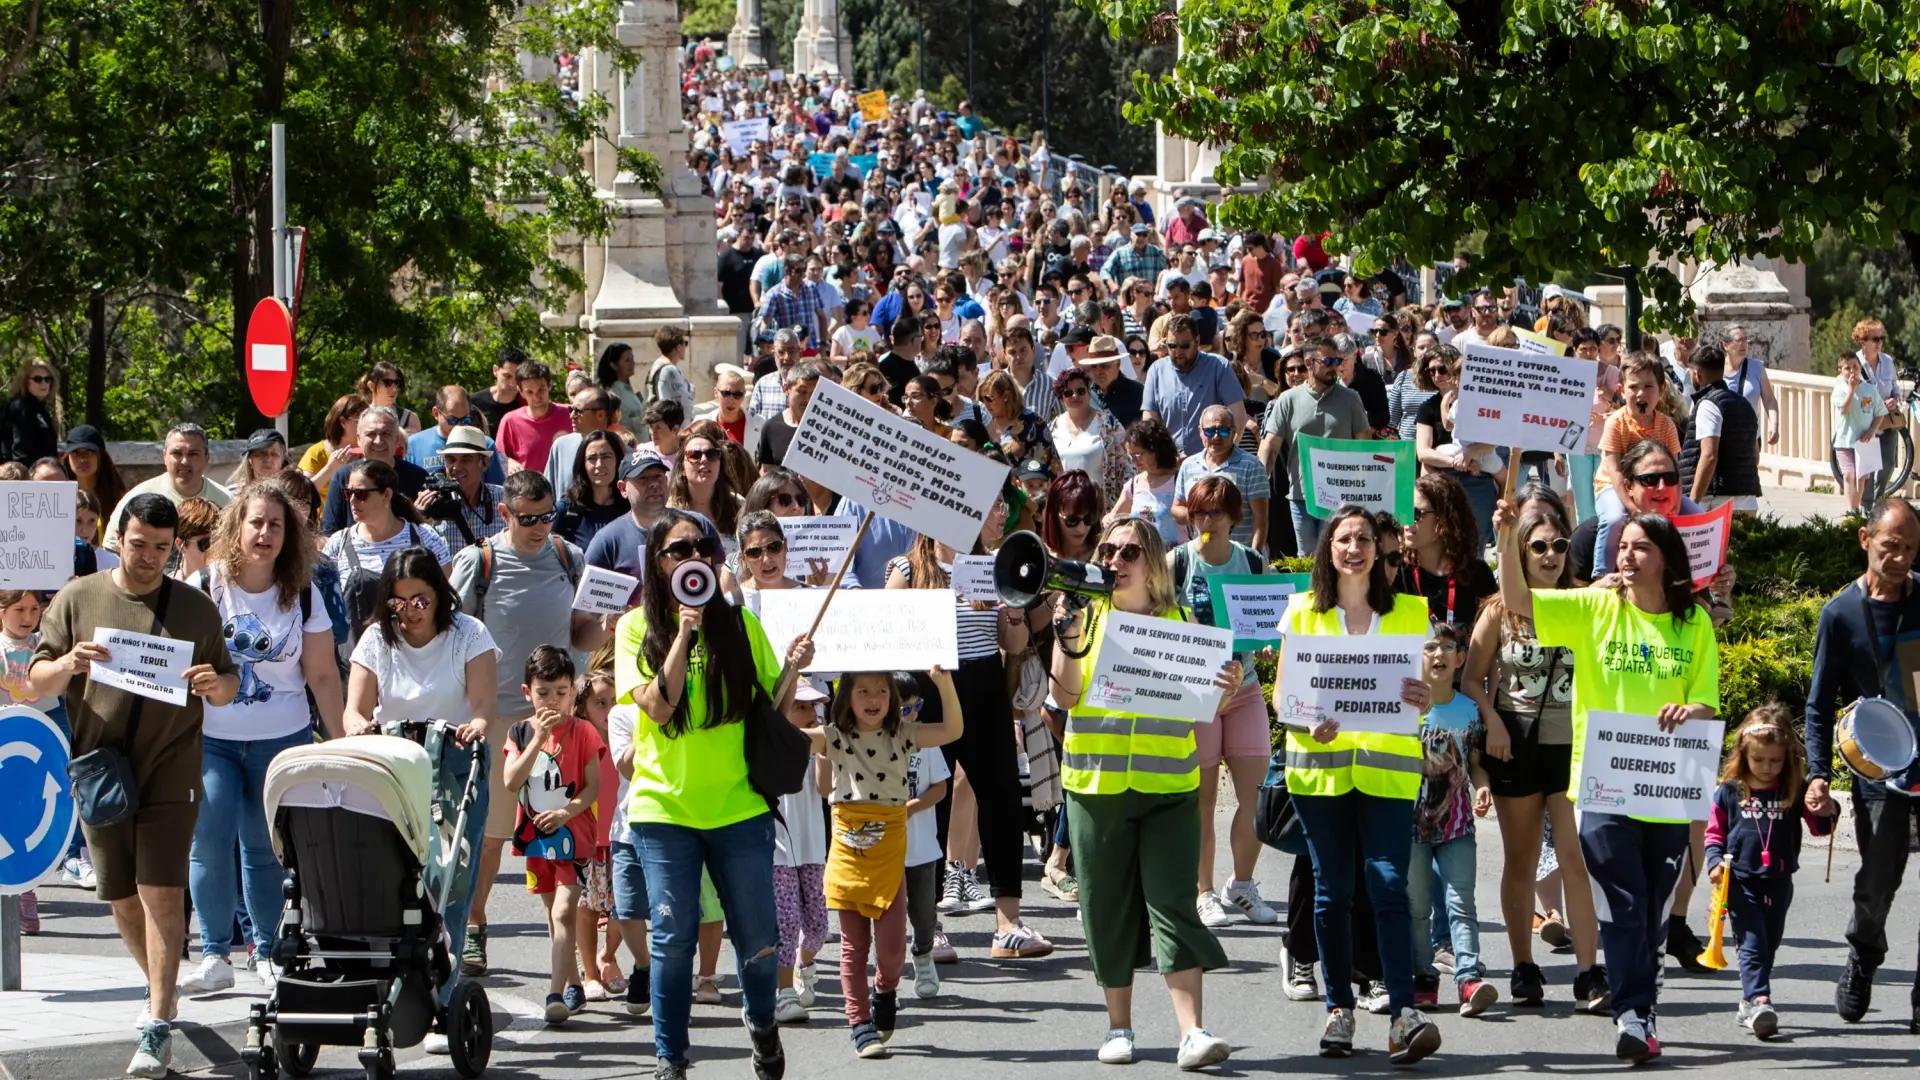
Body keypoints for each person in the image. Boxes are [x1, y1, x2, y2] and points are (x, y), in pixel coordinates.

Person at [1493, 499, 1719, 1063]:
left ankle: (1642, 980)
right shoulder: (1595, 609)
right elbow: (1518, 602)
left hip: (1668, 788)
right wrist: (1504, 540)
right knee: (1621, 902)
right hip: (1605, 786)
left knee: (1649, 912)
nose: (1627, 555)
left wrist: (1692, 712)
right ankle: (1634, 1014)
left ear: (1667, 560)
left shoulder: (1694, 623)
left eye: (1641, 546)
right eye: (1622, 546)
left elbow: (1708, 703)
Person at [31, 494, 240, 1079]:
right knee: (122, 896)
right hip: (101, 770)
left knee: (162, 892)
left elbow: (228, 681)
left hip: (172, 767)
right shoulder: (79, 597)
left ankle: (155, 1024)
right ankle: (162, 988)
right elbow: (35, 679)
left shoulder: (195, 609)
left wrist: (212, 683)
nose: (149, 557)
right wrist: (71, 662)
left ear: (175, 547)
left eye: (162, 547)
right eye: (139, 543)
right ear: (117, 537)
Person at [613, 509, 810, 1080]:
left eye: (702, 547)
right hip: (663, 810)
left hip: (739, 808)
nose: (691, 556)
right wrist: (682, 632)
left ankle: (762, 1026)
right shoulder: (633, 629)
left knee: (757, 938)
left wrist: (793, 669)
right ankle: (670, 1059)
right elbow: (657, 705)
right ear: (657, 562)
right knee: (673, 940)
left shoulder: (743, 626)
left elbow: (770, 710)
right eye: (678, 549)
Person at [1048, 517, 1234, 1069]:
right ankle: (1119, 1028)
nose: (1114, 560)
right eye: (1107, 550)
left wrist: (1222, 691)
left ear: (1153, 562)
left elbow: (1207, 708)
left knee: (1174, 906)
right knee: (1105, 907)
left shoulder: (1183, 622)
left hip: (1169, 787)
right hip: (1096, 785)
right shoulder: (1087, 615)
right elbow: (1068, 697)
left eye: (1128, 551)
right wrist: (1068, 637)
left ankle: (1192, 1033)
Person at [1273, 505, 1440, 1064]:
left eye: (1364, 538)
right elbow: (1283, 700)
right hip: (1319, 774)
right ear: (1328, 550)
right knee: (1333, 890)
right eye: (1343, 538)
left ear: (1378, 550)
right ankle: (1339, 1009)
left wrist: (1427, 695)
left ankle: (1402, 1015)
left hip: (1387, 770)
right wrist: (1305, 724)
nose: (1354, 547)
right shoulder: (1301, 611)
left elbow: (1431, 688)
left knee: (1388, 883)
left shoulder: (1412, 614)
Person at [176, 480, 343, 999]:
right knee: (209, 839)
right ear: (236, 527)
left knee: (264, 849)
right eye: (256, 522)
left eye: (276, 524)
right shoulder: (204, 585)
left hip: (282, 741)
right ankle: (212, 954)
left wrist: (339, 744)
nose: (265, 533)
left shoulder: (306, 590)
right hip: (213, 739)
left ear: (288, 533)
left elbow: (322, 676)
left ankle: (267, 951)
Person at [885, 495, 1052, 960]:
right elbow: (886, 625)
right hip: (927, 689)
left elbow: (1012, 643)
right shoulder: (906, 567)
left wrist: (1016, 607)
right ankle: (928, 925)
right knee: (929, 808)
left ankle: (1008, 923)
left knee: (1000, 800)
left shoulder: (991, 568)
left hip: (982, 684)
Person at [447, 469, 597, 974]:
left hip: (560, 718)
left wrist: (609, 626)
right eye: (528, 518)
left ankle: (572, 962)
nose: (539, 526)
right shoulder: (479, 562)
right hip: (500, 718)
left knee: (563, 834)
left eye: (547, 515)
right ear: (505, 513)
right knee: (490, 837)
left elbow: (581, 635)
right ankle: (473, 924)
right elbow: (453, 634)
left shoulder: (567, 557)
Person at [1460, 491, 1603, 1011]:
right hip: (1514, 744)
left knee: (1574, 858)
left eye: (1559, 545)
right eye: (1539, 546)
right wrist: (1493, 719)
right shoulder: (1500, 611)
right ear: (1521, 552)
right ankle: (1524, 964)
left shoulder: (1585, 601)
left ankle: (1590, 970)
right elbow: (1471, 679)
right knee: (1520, 859)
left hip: (1571, 747)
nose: (1550, 556)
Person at [797, 666, 963, 1058]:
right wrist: (790, 672)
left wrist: (944, 682)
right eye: (863, 691)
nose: (873, 700)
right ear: (845, 697)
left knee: (891, 951)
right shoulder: (832, 737)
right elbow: (780, 740)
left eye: (881, 692)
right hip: (846, 848)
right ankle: (858, 1023)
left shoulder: (904, 735)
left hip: (890, 848)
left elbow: (952, 730)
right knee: (853, 947)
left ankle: (883, 991)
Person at [1803, 496, 1920, 1030]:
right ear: (1865, 539)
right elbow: (1819, 702)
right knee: (1876, 886)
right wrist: (1818, 773)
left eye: (1911, 549)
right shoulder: (1841, 614)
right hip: (1880, 770)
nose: (1900, 559)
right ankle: (1863, 956)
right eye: (1891, 546)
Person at [1168, 477, 1278, 928]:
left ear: (1235, 516)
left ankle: (1242, 884)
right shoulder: (1177, 562)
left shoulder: (1251, 561)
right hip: (1197, 695)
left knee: (1257, 795)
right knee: (1203, 800)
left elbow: (1273, 620)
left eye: (1216, 512)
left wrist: (1272, 641)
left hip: (1245, 688)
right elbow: (1160, 621)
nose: (1207, 521)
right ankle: (1203, 892)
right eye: (1199, 513)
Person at [1705, 705, 1833, 1040]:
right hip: (1740, 879)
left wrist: (1827, 810)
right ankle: (1761, 999)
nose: (1766, 767)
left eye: (1775, 761)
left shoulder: (1793, 788)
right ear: (1744, 754)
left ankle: (1749, 999)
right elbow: (1714, 833)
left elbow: (1820, 828)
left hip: (1779, 879)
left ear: (1787, 758)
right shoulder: (1730, 790)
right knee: (1752, 941)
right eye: (1758, 760)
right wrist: (1714, 861)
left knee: (1770, 942)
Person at [501, 645, 605, 1023]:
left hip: (574, 836)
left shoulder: (584, 731)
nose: (553, 701)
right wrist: (536, 737)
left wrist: (566, 811)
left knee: (564, 910)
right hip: (535, 838)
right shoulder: (519, 731)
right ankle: (573, 981)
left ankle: (555, 993)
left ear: (573, 690)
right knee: (552, 913)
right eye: (544, 693)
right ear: (528, 692)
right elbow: (511, 781)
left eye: (561, 692)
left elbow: (592, 786)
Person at [1405, 623, 1497, 1017]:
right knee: (1416, 906)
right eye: (1429, 647)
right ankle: (1424, 977)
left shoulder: (1469, 710)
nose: (1438, 654)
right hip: (1409, 828)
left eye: (1447, 648)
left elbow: (1475, 763)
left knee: (1461, 903)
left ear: (1461, 658)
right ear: (1417, 657)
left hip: (1458, 826)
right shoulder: (1404, 708)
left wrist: (1481, 787)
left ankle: (1467, 977)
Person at [1259, 340, 1369, 556]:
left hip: (1341, 496)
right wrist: (1259, 487)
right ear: (1309, 362)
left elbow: (1365, 447)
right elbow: (1269, 448)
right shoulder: (1288, 399)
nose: (1334, 367)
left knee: (1334, 555)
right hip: (1301, 496)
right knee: (1307, 558)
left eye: (1336, 361)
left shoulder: (1351, 398)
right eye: (1328, 361)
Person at [106, 424, 233, 552]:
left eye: (193, 454)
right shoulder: (138, 498)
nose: (184, 461)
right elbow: (111, 550)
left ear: (206, 457)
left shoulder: (227, 502)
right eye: (176, 453)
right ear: (165, 456)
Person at [1399, 473, 1497, 637]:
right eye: (1405, 511)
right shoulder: (1396, 572)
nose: (1407, 521)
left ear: (1444, 518)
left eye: (1417, 513)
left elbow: (1494, 637)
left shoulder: (1478, 574)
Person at [1142, 315, 1246, 457]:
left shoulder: (1218, 366)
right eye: (1172, 345)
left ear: (1197, 341)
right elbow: (1149, 418)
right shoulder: (1156, 370)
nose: (1178, 351)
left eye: (1184, 345)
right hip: (1171, 462)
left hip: (1212, 462)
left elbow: (1238, 415)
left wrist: (1227, 454)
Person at [1679, 344, 1762, 513]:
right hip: (1747, 499)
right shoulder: (1745, 404)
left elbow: (1709, 455)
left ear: (1697, 374)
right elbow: (1754, 454)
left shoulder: (1708, 405)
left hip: (1715, 502)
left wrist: (1692, 504)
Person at [1174, 405, 1269, 552]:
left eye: (1223, 431)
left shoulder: (1252, 465)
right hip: (1202, 555)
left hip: (1240, 557)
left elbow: (1261, 520)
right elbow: (1176, 508)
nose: (1216, 436)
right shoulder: (1188, 465)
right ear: (1200, 431)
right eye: (1210, 431)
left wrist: (1253, 558)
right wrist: (1201, 514)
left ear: (1233, 432)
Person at [320, 407, 429, 534]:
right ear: (359, 439)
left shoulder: (418, 477)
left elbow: (428, 530)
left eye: (386, 434)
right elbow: (328, 532)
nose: (378, 441)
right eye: (371, 434)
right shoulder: (343, 477)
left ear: (396, 439)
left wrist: (419, 516)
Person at [1049, 367, 1130, 506]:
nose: (1075, 396)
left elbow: (1127, 468)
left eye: (1080, 391)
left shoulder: (1108, 423)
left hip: (1100, 507)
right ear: (1062, 398)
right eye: (1068, 393)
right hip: (1063, 507)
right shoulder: (1053, 427)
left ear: (1089, 392)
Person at [425, 426, 507, 558]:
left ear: (484, 462)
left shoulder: (505, 500)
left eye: (466, 459)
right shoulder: (433, 503)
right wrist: (419, 518)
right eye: (450, 459)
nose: (456, 467)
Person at [1107, 416, 1185, 547]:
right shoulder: (1133, 485)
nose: (1134, 460)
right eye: (1130, 456)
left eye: (1138, 455)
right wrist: (1108, 519)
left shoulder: (1179, 481)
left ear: (1156, 450)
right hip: (1140, 558)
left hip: (1174, 557)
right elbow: (1114, 517)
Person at [1834, 350, 1890, 513]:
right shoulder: (1839, 390)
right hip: (1845, 441)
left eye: (1855, 367)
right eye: (1847, 368)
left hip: (1865, 441)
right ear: (1841, 371)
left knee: (1861, 477)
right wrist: (1851, 389)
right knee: (1849, 475)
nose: (1852, 371)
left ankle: (1856, 509)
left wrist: (1872, 431)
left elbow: (1880, 412)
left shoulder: (1870, 389)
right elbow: (1845, 410)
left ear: (1860, 368)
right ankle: (1850, 511)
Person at [670, 421, 745, 543]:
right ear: (682, 469)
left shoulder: (738, 505)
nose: (704, 460)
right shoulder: (671, 512)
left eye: (712, 454)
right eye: (694, 455)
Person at [556, 428, 630, 549]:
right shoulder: (566, 510)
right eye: (592, 458)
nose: (599, 464)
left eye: (606, 457)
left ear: (618, 461)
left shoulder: (632, 508)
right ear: (582, 464)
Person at [497, 359, 574, 475]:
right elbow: (498, 458)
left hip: (566, 489)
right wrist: (509, 462)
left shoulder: (570, 414)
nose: (537, 397)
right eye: (529, 392)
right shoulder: (510, 421)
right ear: (521, 391)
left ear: (549, 385)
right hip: (527, 490)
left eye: (541, 390)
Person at [977, 368, 1056, 474]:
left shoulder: (1031, 421)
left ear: (1006, 396)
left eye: (989, 398)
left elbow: (1051, 463)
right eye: (982, 399)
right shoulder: (981, 421)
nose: (985, 404)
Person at [60, 424, 127, 543]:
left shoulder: (118, 497)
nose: (82, 459)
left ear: (100, 456)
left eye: (88, 452)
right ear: (68, 458)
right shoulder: (60, 495)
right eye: (75, 453)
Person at [1719, 324, 1780, 449]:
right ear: (1725, 345)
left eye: (1745, 339)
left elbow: (1769, 399)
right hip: (1722, 438)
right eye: (1738, 340)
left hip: (1750, 437)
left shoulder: (1757, 367)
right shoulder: (1716, 369)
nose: (1744, 344)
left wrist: (1774, 425)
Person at [755, 361, 820, 473]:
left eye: (814, 393)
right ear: (786, 388)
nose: (808, 399)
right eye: (802, 391)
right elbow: (766, 471)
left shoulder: (827, 428)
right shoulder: (771, 427)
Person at [299, 395, 370, 491]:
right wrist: (329, 469)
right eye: (359, 422)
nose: (365, 428)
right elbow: (301, 494)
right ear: (343, 422)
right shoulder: (316, 453)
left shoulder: (367, 453)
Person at [2, 359, 60, 465]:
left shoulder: (41, 408)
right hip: (25, 476)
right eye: (38, 379)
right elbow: (21, 452)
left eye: (48, 379)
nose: (44, 383)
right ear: (25, 382)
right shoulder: (21, 407)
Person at [1081, 334, 1145, 429]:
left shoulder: (1139, 393)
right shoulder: (1085, 393)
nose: (1098, 371)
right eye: (1093, 366)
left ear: (1118, 364)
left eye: (1104, 365)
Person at [597, 341, 648, 434]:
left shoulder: (627, 389)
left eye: (632, 359)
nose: (632, 363)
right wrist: (646, 417)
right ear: (614, 365)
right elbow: (620, 424)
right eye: (627, 360)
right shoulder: (613, 393)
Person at [360, 361, 422, 436]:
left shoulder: (409, 419)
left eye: (396, 383)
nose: (394, 389)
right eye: (387, 383)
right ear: (371, 386)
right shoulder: (359, 417)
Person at [472, 348, 526, 433]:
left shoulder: (528, 404)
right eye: (507, 376)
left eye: (518, 378)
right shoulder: (473, 403)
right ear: (495, 370)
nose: (513, 383)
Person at [171, 497, 218, 581]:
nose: (216, 551)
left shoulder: (235, 589)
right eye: (206, 544)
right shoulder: (167, 591)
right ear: (180, 544)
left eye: (221, 542)